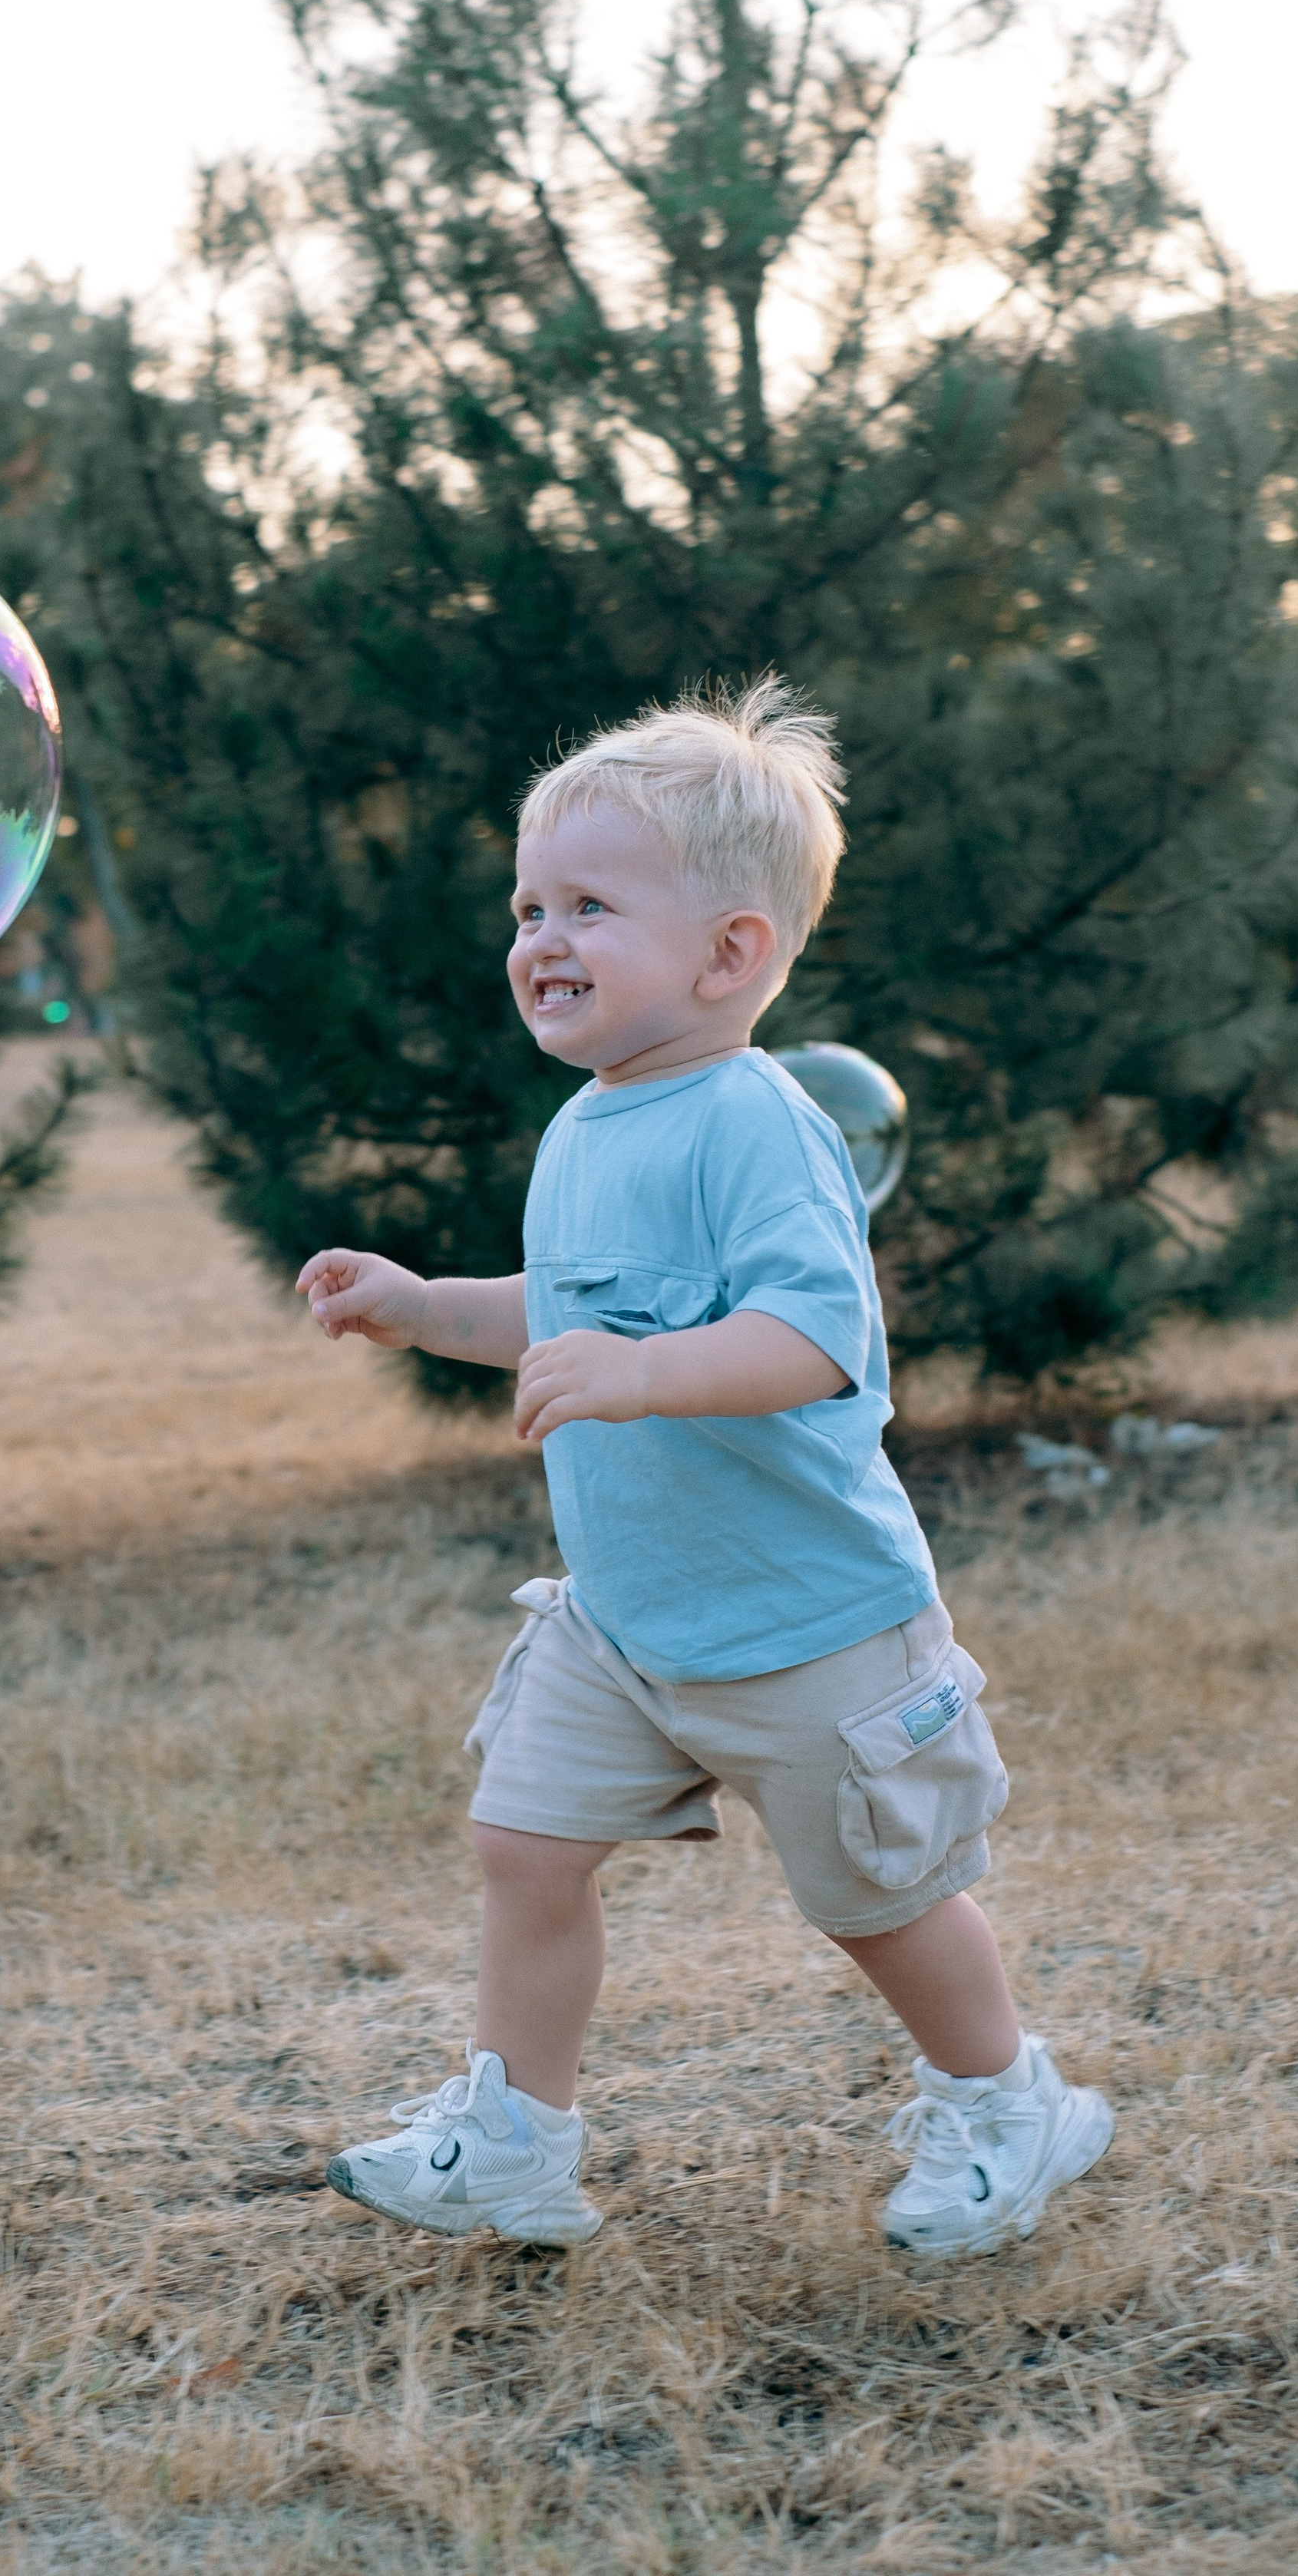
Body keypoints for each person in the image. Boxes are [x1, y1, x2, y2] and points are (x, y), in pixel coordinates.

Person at [297, 681, 1111, 2259]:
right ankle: (516, 2140)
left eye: (589, 905)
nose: (539, 934)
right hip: (626, 1618)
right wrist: (419, 1308)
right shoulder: (584, 1128)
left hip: (806, 1624)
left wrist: (647, 1373)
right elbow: (573, 1318)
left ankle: (1010, 2103)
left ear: (727, 952)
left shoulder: (753, 1119)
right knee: (519, 1846)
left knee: (873, 1901)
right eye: (529, 904)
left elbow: (811, 1337)